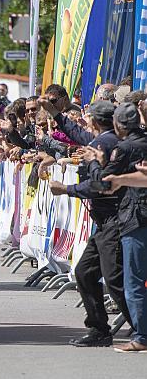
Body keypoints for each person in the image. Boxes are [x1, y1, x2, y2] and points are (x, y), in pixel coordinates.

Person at [44, 100, 126, 348]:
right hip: (105, 222)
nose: (85, 121)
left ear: (95, 121)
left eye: (89, 117)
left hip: (115, 220)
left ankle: (141, 329)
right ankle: (100, 329)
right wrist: (56, 115)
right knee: (86, 272)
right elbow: (78, 134)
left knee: (115, 281)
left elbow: (99, 185)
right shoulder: (102, 139)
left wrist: (66, 189)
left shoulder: (105, 143)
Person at [86, 102, 147, 352]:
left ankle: (142, 337)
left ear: (118, 125)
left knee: (132, 279)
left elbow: (103, 184)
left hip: (135, 217)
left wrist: (95, 163)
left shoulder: (123, 148)